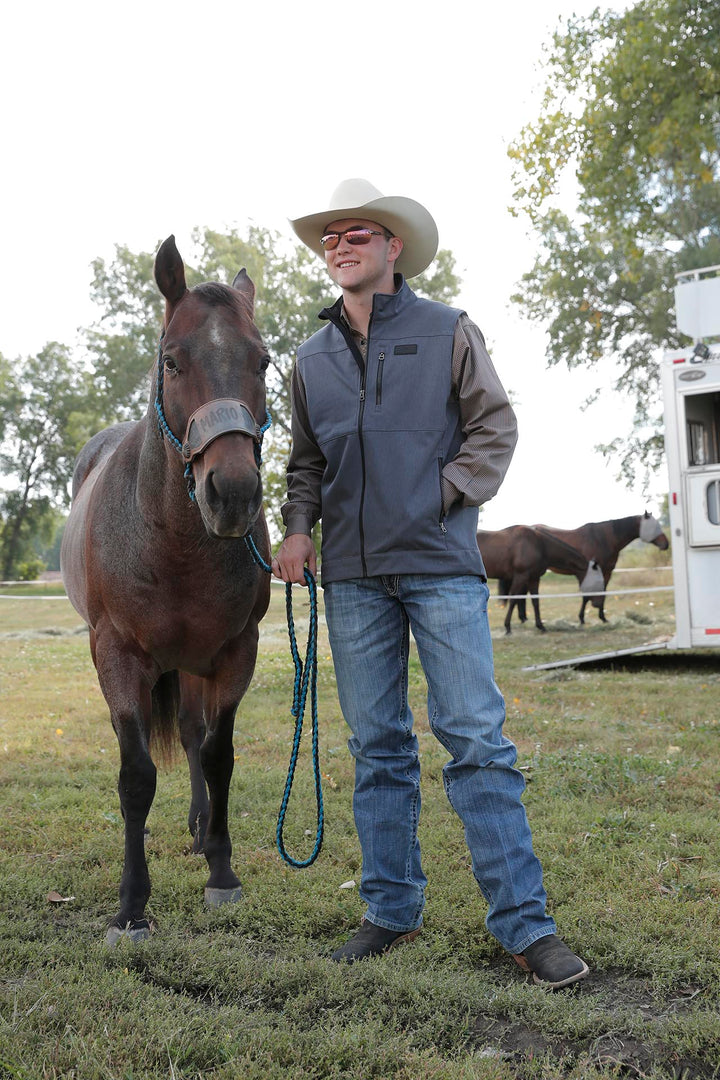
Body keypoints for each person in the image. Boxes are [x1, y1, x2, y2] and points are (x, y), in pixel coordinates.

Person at [272, 179, 589, 988]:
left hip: (443, 568)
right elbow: (304, 463)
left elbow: (495, 426)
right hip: (349, 579)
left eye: (358, 234)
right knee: (377, 747)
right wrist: (299, 529)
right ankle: (390, 911)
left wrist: (442, 495)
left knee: (476, 741)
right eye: (331, 238)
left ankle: (525, 926)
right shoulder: (307, 361)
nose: (341, 246)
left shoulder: (448, 329)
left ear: (393, 247)